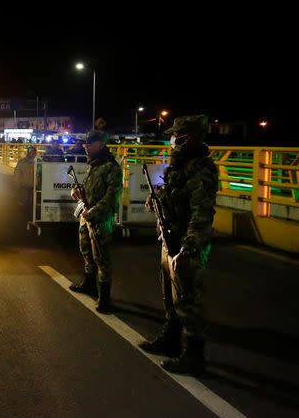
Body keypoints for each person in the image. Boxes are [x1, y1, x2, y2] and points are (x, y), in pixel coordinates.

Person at [139, 115, 218, 376]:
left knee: (188, 300)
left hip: (186, 242)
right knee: (170, 295)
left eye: (179, 135)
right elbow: (173, 193)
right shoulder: (181, 166)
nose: (174, 140)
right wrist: (156, 198)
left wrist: (188, 248)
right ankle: (171, 341)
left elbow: (202, 213)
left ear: (192, 136)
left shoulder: (201, 169)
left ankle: (195, 358)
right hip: (170, 237)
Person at [68, 129, 123, 312]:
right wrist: (78, 192)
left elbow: (112, 197)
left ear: (100, 144)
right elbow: (92, 188)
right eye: (85, 144)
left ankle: (105, 298)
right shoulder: (94, 164)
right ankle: (89, 284)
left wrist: (94, 212)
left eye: (89, 144)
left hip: (100, 218)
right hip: (87, 215)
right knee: (86, 250)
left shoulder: (111, 167)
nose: (85, 147)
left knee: (102, 258)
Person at [13, 146, 37, 212]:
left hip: (33, 187)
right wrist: (17, 184)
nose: (32, 154)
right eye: (31, 152)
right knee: (25, 202)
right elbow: (17, 175)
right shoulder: (22, 162)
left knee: (29, 203)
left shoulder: (38, 163)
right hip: (25, 186)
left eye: (33, 152)